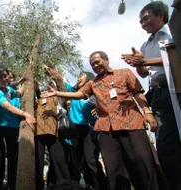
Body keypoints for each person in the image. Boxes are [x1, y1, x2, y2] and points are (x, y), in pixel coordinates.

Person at [43, 51, 161, 190]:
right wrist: (57, 93)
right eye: (92, 64)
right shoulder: (93, 83)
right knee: (113, 167)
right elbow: (79, 94)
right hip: (106, 128)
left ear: (107, 60)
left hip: (131, 122)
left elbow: (138, 92)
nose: (95, 65)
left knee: (141, 161)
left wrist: (147, 112)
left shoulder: (124, 73)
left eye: (98, 61)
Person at [122, 2, 181, 189]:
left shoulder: (172, 32)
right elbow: (145, 72)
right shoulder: (145, 45)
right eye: (140, 21)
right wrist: (138, 64)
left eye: (146, 18)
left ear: (161, 15)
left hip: (176, 88)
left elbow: (175, 55)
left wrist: (144, 60)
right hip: (158, 94)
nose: (143, 24)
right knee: (165, 143)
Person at [64, 72, 107, 190]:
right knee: (78, 163)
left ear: (89, 80)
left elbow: (101, 105)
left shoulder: (94, 94)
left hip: (90, 130)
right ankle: (84, 185)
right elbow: (61, 82)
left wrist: (98, 109)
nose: (78, 79)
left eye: (81, 77)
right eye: (77, 77)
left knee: (91, 160)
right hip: (75, 131)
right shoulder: (73, 92)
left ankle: (100, 186)